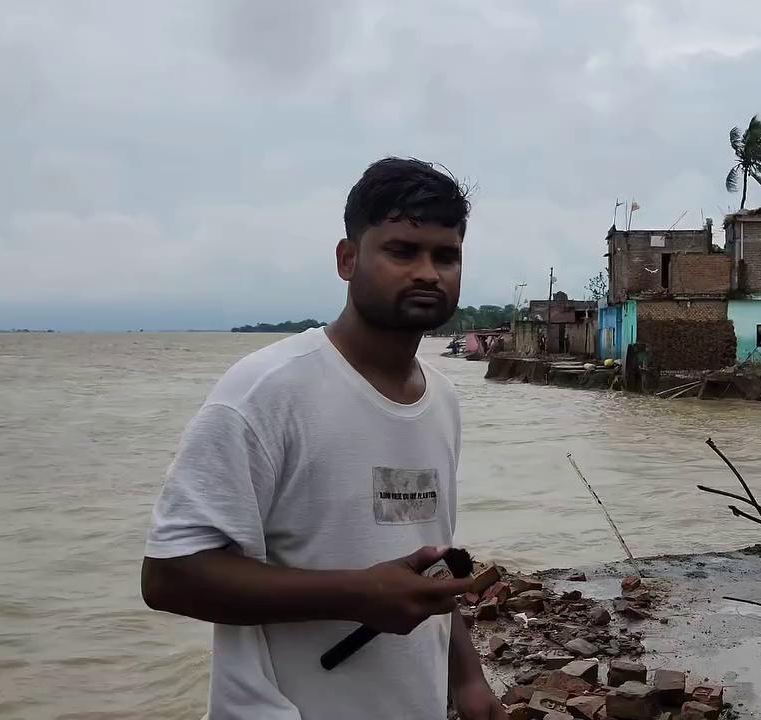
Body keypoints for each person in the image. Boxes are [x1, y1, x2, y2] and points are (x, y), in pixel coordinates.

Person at [141, 157, 505, 720]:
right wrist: (357, 594)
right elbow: (168, 575)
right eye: (402, 251)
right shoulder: (264, 393)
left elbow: (431, 563)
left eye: (446, 255)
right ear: (348, 258)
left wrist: (467, 676)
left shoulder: (442, 401)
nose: (429, 273)